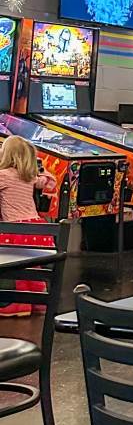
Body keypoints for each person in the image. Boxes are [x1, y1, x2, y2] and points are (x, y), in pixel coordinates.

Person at [0, 136, 56, 318]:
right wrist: (40, 169)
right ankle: (38, 301)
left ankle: (19, 304)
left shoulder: (4, 175)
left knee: (17, 268)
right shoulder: (30, 177)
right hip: (36, 229)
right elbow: (50, 181)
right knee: (32, 267)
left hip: (15, 230)